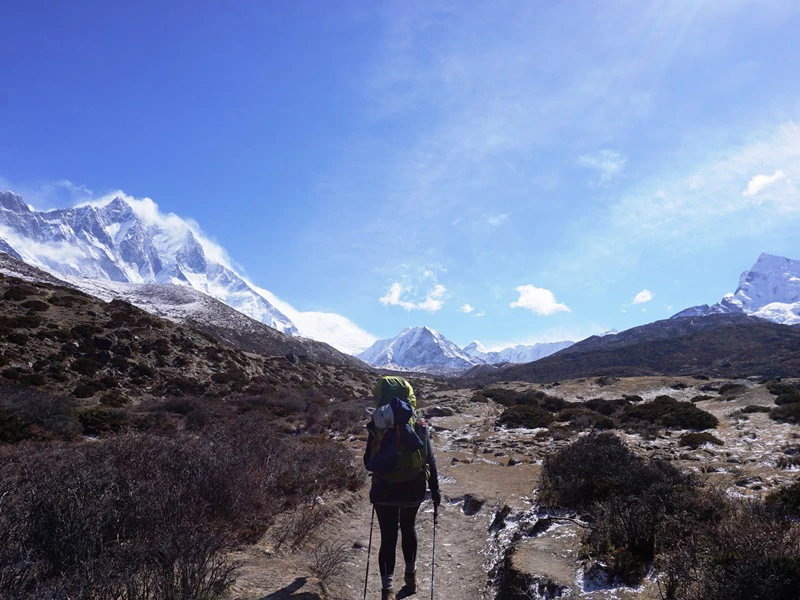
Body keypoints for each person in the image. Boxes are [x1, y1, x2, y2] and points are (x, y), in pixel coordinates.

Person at [364, 376, 441, 600]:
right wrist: (435, 490)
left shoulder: (377, 424)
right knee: (408, 528)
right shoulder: (418, 424)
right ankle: (411, 578)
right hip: (413, 487)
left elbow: (368, 460)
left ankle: (387, 590)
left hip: (384, 489)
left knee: (388, 536)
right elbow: (429, 458)